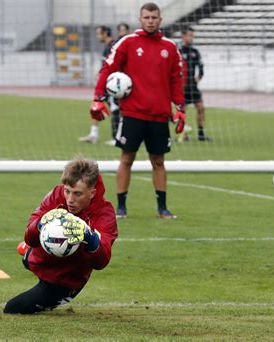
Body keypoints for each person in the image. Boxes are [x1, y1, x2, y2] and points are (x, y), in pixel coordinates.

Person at [89, 2, 186, 219]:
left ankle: (162, 208)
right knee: (126, 159)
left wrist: (180, 108)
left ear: (160, 20)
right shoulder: (128, 42)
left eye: (154, 17)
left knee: (158, 161)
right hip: (132, 113)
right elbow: (108, 69)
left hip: (160, 115)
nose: (150, 21)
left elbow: (176, 81)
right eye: (146, 17)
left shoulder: (170, 47)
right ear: (140, 19)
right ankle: (121, 208)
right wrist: (98, 98)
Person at [3, 157, 118, 314]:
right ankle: (28, 252)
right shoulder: (57, 195)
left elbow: (101, 262)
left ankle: (32, 255)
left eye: (77, 194)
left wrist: (90, 238)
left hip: (66, 280)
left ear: (92, 193)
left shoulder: (105, 214)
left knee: (12, 309)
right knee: (28, 250)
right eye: (67, 191)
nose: (70, 199)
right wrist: (39, 224)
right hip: (42, 258)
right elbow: (29, 236)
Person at [79, 26, 116, 144]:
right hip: (106, 82)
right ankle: (94, 134)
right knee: (96, 106)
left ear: (105, 33)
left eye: (98, 34)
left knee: (116, 109)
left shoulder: (112, 46)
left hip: (112, 83)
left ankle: (117, 137)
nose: (97, 36)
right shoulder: (107, 46)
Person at [179, 26, 211, 141]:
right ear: (183, 36)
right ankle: (184, 134)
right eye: (189, 35)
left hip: (192, 85)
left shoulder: (195, 52)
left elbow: (201, 66)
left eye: (193, 36)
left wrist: (200, 76)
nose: (191, 38)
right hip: (182, 86)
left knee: (201, 108)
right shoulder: (178, 51)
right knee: (182, 111)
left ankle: (201, 134)